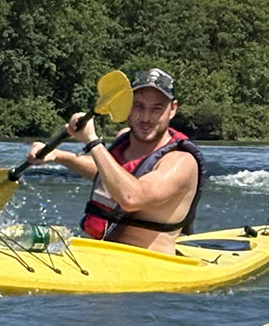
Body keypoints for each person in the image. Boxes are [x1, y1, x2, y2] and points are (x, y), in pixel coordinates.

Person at [25, 68, 203, 250]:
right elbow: (109, 173)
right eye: (138, 106)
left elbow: (131, 197)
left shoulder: (181, 162)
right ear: (128, 105)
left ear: (172, 110)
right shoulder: (125, 140)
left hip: (147, 265)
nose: (146, 118)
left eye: (157, 109)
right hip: (102, 255)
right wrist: (59, 155)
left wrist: (93, 142)